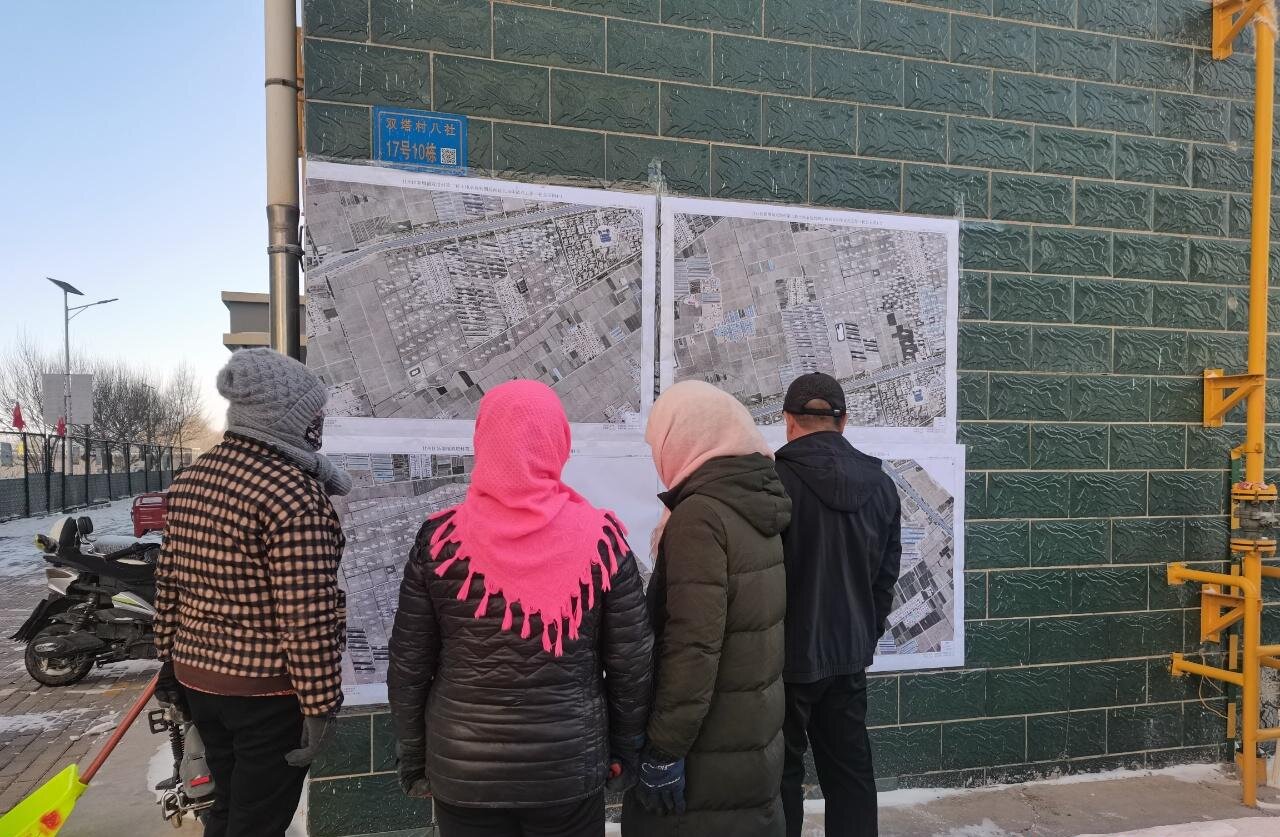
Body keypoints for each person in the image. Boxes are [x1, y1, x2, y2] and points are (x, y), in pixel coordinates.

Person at [387, 379, 653, 837]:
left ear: (484, 441)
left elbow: (410, 663)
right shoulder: (603, 542)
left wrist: (415, 756)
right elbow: (631, 663)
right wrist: (625, 751)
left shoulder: (440, 543)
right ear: (556, 442)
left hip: (463, 769)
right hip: (569, 765)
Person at [153, 348, 352, 837]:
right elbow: (306, 616)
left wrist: (169, 662)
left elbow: (168, 582)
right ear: (284, 416)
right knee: (258, 820)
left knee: (225, 806)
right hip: (265, 692)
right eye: (313, 414)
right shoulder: (293, 496)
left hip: (200, 677)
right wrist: (320, 706)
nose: (318, 424)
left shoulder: (192, 480)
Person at [623, 380, 791, 837]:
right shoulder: (754, 502)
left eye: (660, 444)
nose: (658, 458)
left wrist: (664, 750)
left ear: (688, 439)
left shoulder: (700, 516)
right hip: (747, 738)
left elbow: (693, 646)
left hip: (704, 751)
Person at [774, 373, 903, 837]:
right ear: (843, 421)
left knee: (780, 779)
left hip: (784, 660)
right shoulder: (882, 486)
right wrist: (864, 635)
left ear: (788, 421)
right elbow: (885, 578)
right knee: (850, 775)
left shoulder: (773, 482)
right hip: (849, 655)